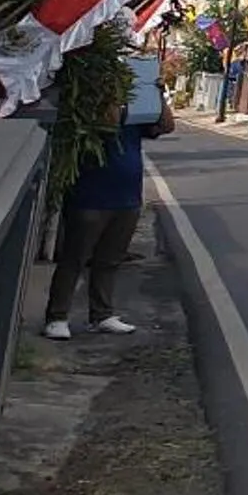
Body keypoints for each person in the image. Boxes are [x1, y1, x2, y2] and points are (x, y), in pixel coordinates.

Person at [44, 83, 173, 341]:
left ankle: (102, 315)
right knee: (75, 258)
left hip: (127, 198)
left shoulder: (138, 111)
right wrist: (113, 95)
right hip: (91, 197)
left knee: (110, 260)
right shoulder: (90, 108)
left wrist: (156, 96)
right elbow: (109, 122)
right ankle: (57, 317)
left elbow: (166, 126)